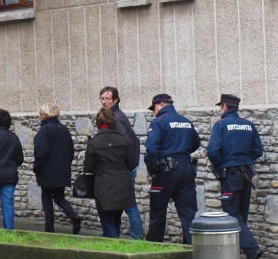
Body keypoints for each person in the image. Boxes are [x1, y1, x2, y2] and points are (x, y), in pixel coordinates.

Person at [207, 94, 265, 259]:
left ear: (224, 107)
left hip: (230, 173)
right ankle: (242, 252)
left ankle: (252, 249)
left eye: (220, 107)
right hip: (246, 172)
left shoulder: (221, 125)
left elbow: (212, 151)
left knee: (232, 215)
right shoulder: (249, 125)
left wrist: (221, 165)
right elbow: (258, 151)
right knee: (241, 213)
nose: (220, 110)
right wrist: (244, 159)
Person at [144, 94, 201, 245]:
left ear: (161, 105)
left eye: (154, 108)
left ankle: (154, 250)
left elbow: (151, 149)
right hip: (186, 168)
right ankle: (191, 251)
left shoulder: (159, 122)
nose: (153, 112)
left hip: (166, 170)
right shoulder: (186, 122)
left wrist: (153, 170)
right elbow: (196, 143)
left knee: (158, 212)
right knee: (188, 213)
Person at [83, 108, 138, 238]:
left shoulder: (93, 143)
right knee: (116, 219)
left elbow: (88, 168)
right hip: (122, 183)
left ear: (98, 123)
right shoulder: (124, 140)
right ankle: (116, 245)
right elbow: (132, 163)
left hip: (103, 185)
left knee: (107, 222)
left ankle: (113, 249)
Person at [99, 86, 143, 239]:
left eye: (107, 99)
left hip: (123, 169)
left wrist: (127, 166)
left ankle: (137, 237)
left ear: (115, 100)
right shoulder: (115, 115)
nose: (104, 102)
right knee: (124, 204)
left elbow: (128, 143)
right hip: (125, 167)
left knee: (129, 205)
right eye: (102, 98)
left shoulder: (116, 118)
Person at [33, 104, 82, 234]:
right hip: (62, 171)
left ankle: (49, 228)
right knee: (59, 197)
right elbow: (70, 151)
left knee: (47, 198)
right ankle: (73, 216)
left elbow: (40, 152)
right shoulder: (64, 129)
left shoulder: (45, 130)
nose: (39, 117)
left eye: (40, 114)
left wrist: (36, 167)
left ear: (45, 115)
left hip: (47, 171)